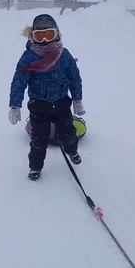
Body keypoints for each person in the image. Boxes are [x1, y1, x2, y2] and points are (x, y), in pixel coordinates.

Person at [9, 14, 86, 181]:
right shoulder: (29, 56)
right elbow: (19, 80)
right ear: (32, 36)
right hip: (39, 105)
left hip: (61, 103)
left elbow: (74, 77)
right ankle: (35, 167)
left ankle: (72, 151)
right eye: (39, 36)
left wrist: (77, 99)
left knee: (68, 132)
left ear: (56, 34)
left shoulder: (64, 55)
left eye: (48, 35)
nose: (44, 40)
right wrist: (15, 105)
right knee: (39, 139)